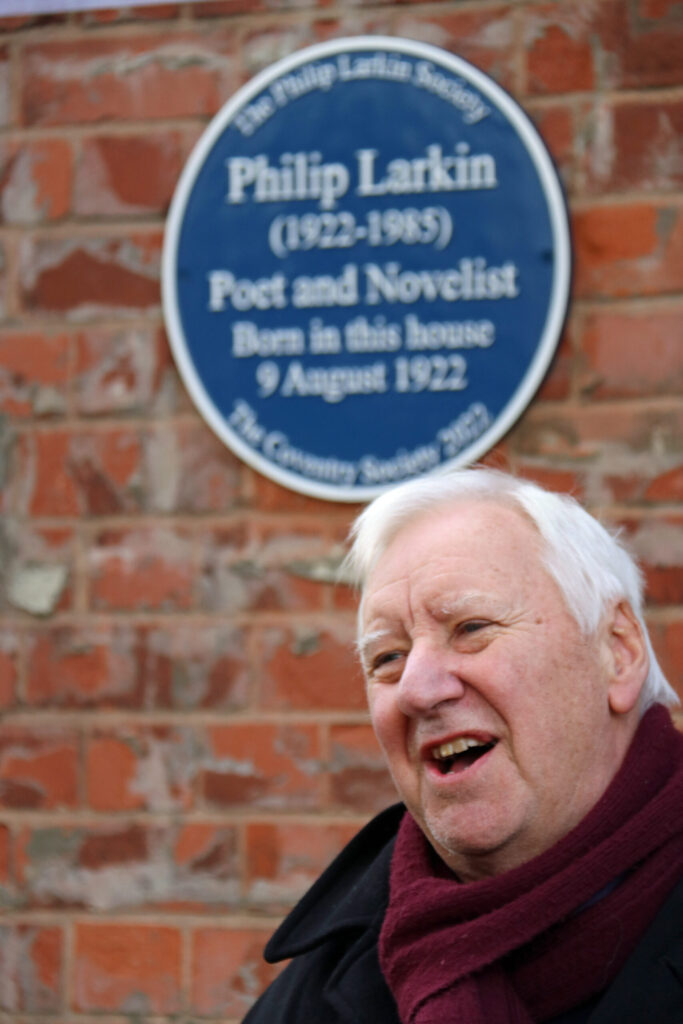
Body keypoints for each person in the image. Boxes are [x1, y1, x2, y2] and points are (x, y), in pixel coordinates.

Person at [243, 468, 683, 1024]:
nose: (417, 690)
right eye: (387, 659)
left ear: (615, 652)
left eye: (472, 628)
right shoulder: (321, 987)